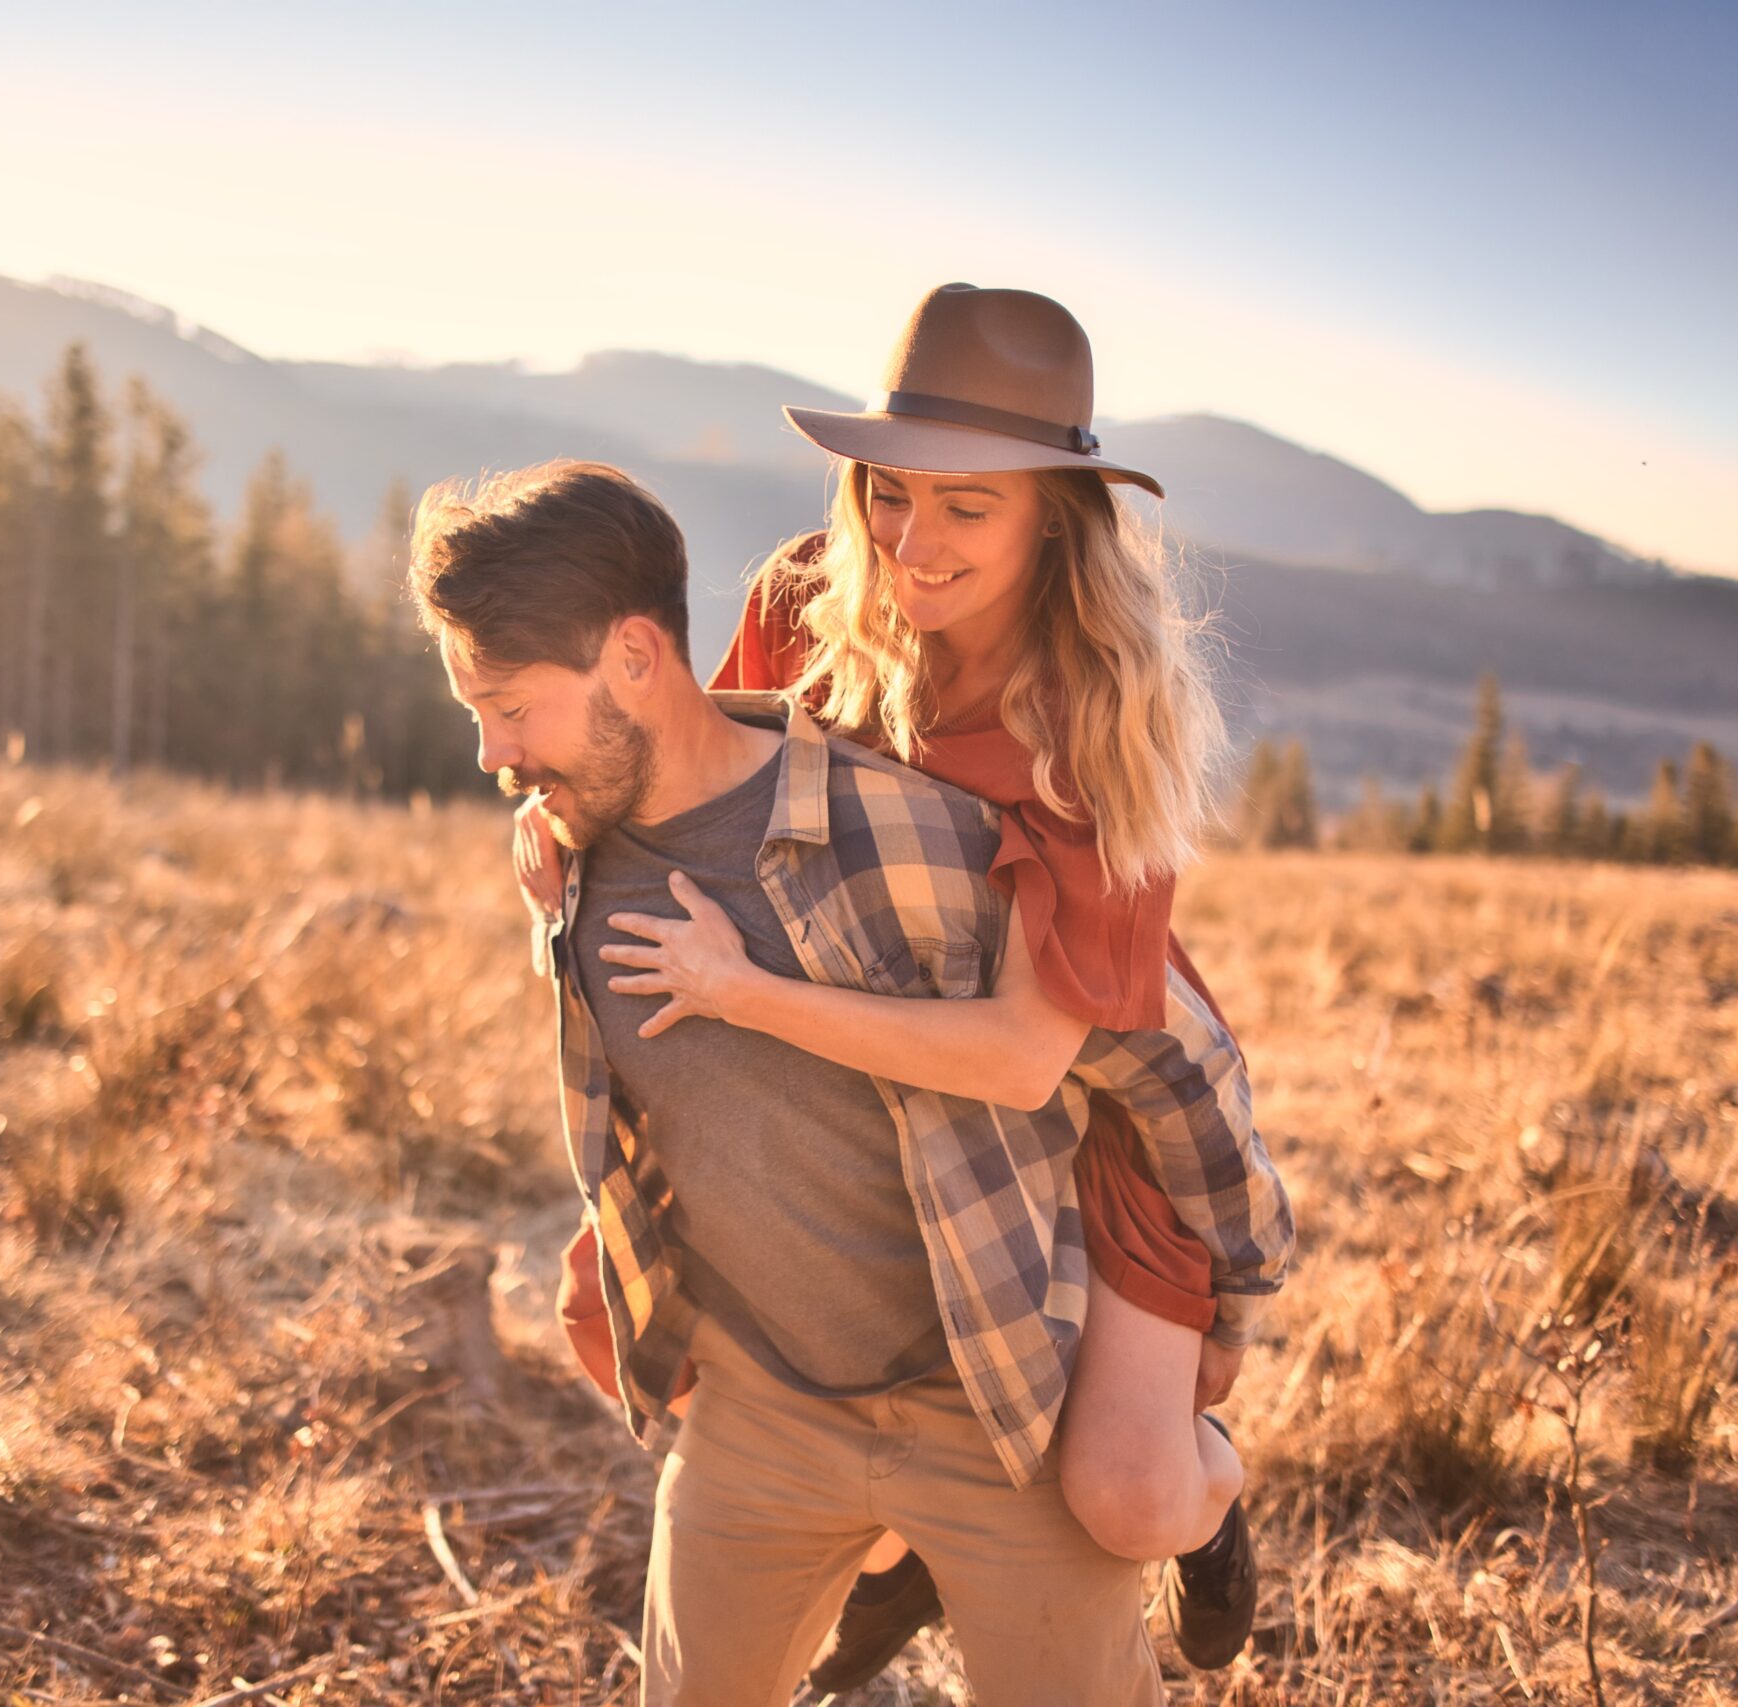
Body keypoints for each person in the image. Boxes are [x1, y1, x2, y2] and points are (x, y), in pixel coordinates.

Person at [410, 454, 1292, 1706]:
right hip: (784, 1364)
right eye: (890, 492)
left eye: (966, 506)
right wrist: (573, 814)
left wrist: (1233, 1278)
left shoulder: (1077, 725)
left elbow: (1101, 1050)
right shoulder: (808, 602)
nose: (912, 537)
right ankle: (887, 1549)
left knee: (1131, 1491)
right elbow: (686, 750)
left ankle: (1181, 1508)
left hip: (1029, 1227)